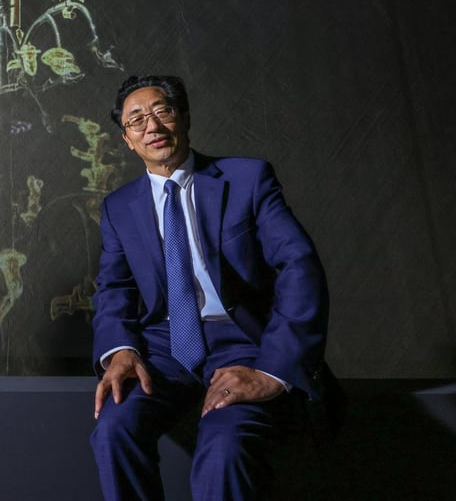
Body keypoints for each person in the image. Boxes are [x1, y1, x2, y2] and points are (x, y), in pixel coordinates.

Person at [90, 75, 333, 500]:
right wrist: (120, 349)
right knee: (112, 431)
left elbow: (300, 266)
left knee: (222, 452)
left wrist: (272, 370)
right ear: (127, 139)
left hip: (241, 341)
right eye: (137, 120)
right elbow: (114, 288)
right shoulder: (118, 207)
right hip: (162, 347)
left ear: (183, 118)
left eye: (162, 111)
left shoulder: (248, 178)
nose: (152, 125)